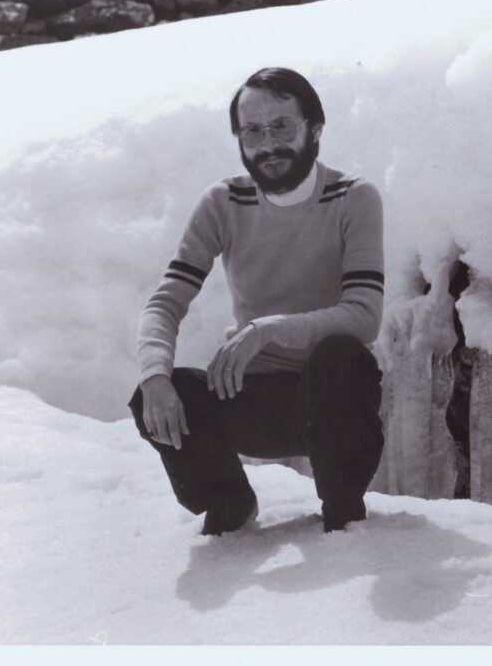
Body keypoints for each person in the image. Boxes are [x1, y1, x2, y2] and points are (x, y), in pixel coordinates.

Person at [129, 67, 385, 536]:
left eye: (282, 126)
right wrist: (154, 377)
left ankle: (344, 516)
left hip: (332, 398)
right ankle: (229, 506)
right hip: (250, 398)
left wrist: (267, 329)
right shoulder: (223, 201)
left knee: (342, 356)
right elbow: (164, 303)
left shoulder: (353, 197)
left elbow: (364, 316)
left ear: (314, 129)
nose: (268, 144)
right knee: (162, 389)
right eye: (252, 131)